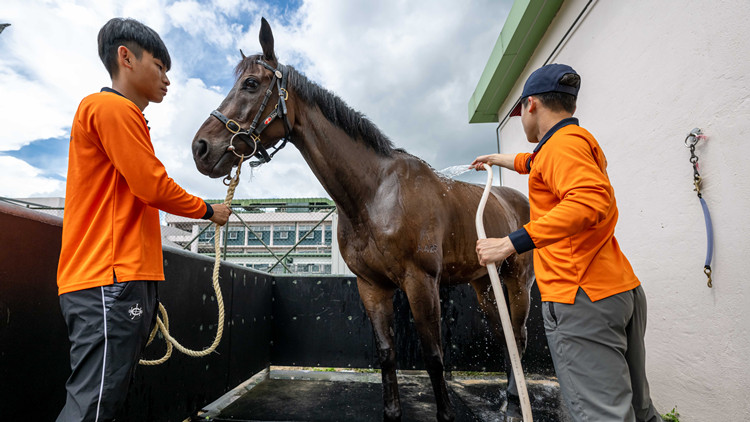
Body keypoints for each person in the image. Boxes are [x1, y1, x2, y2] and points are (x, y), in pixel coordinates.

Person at [56, 18, 230, 421]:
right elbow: (152, 186)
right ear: (126, 57)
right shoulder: (110, 107)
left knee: (104, 398)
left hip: (115, 280)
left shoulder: (116, 115)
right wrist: (209, 210)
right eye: (160, 65)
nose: (167, 78)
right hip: (108, 279)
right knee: (94, 404)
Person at [470, 64, 662, 422]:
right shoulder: (571, 142)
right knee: (638, 411)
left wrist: (510, 243)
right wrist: (498, 160)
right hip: (616, 289)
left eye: (520, 113)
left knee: (600, 415)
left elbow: (589, 203)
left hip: (583, 300)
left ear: (531, 106)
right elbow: (538, 164)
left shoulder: (561, 148)